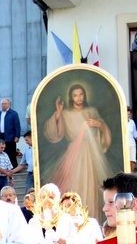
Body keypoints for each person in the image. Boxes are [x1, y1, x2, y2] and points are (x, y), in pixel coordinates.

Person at [43, 83, 112, 217]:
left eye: (81, 94)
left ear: (84, 95)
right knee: (75, 183)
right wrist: (58, 113)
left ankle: (92, 216)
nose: (78, 98)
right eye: (75, 95)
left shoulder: (92, 110)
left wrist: (99, 125)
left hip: (91, 152)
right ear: (71, 97)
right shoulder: (65, 113)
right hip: (74, 153)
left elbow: (103, 129)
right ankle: (74, 216)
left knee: (91, 184)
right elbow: (53, 132)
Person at [0, 98, 22, 169]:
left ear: (9, 104)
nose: (4, 105)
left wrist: (17, 136)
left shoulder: (14, 114)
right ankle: (2, 167)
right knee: (0, 152)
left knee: (11, 152)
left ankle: (13, 168)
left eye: (5, 104)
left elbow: (17, 125)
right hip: (0, 136)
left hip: (10, 136)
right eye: (2, 104)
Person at [126, 106, 137, 172]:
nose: (128, 116)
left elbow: (134, 133)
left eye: (129, 114)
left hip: (132, 143)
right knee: (126, 160)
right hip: (124, 144)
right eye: (126, 114)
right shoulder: (120, 121)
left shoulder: (132, 122)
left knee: (132, 160)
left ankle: (131, 173)